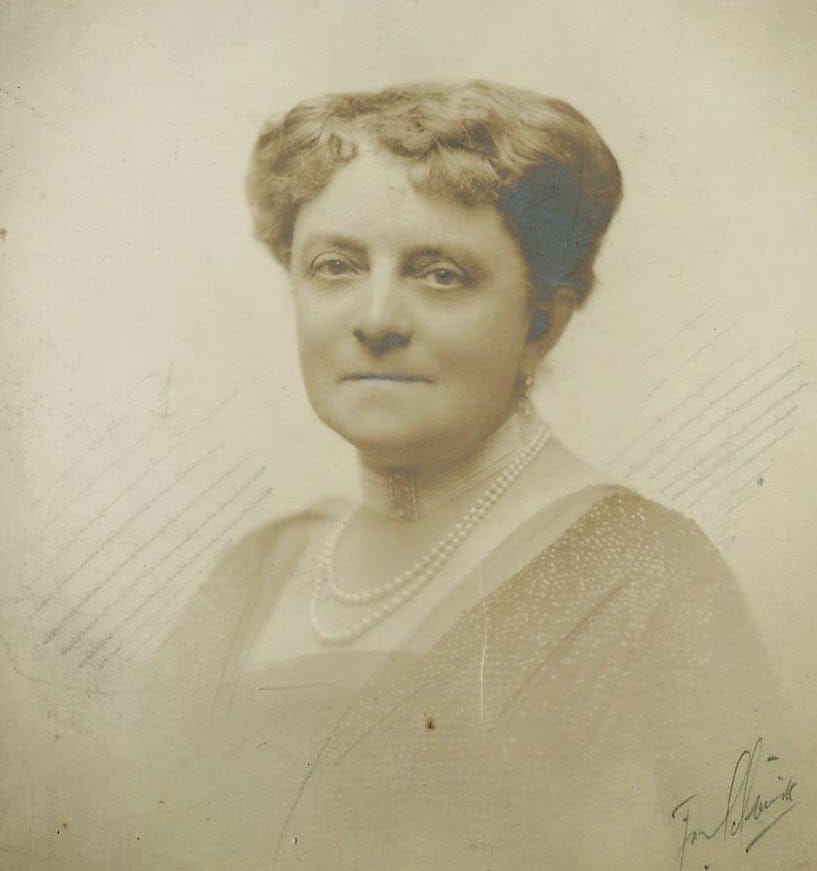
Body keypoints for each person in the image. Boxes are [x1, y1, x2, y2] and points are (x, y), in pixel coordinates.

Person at [145, 81, 785, 870]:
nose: (376, 319)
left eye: (439, 274)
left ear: (540, 323)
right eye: (335, 266)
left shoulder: (645, 576)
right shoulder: (251, 577)